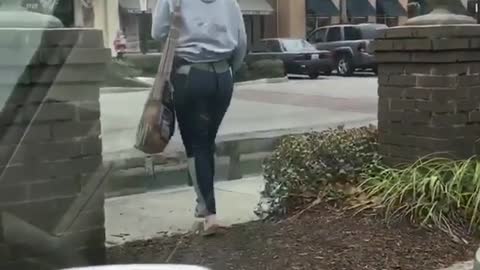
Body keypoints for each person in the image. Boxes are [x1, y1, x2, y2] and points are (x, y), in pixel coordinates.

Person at [151, 0, 247, 235]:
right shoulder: (230, 2)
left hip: (190, 75)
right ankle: (202, 204)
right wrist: (229, 70)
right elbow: (241, 42)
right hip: (223, 77)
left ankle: (209, 214)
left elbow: (157, 32)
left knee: (197, 146)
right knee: (206, 142)